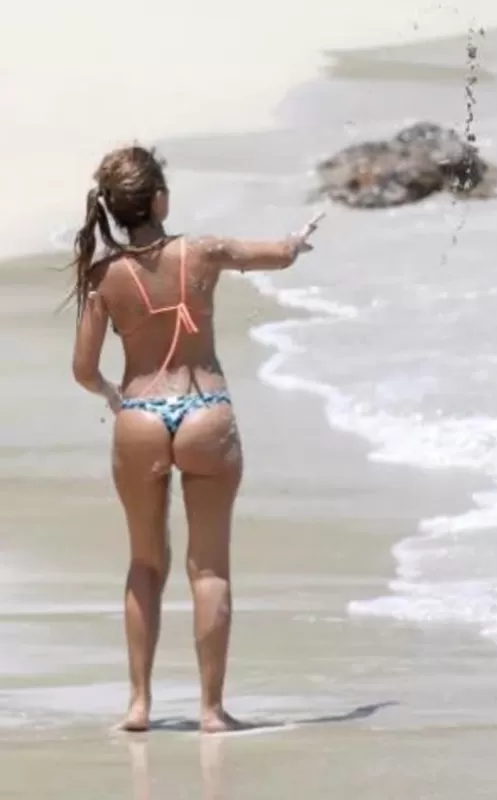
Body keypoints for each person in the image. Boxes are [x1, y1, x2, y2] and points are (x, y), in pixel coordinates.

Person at [68, 145, 323, 733]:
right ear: (159, 199)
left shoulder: (104, 277)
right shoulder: (201, 252)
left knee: (144, 563)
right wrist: (299, 237)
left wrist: (114, 394)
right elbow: (279, 255)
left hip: (139, 414)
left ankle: (138, 705)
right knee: (208, 570)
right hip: (206, 408)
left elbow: (83, 369)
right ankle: (210, 710)